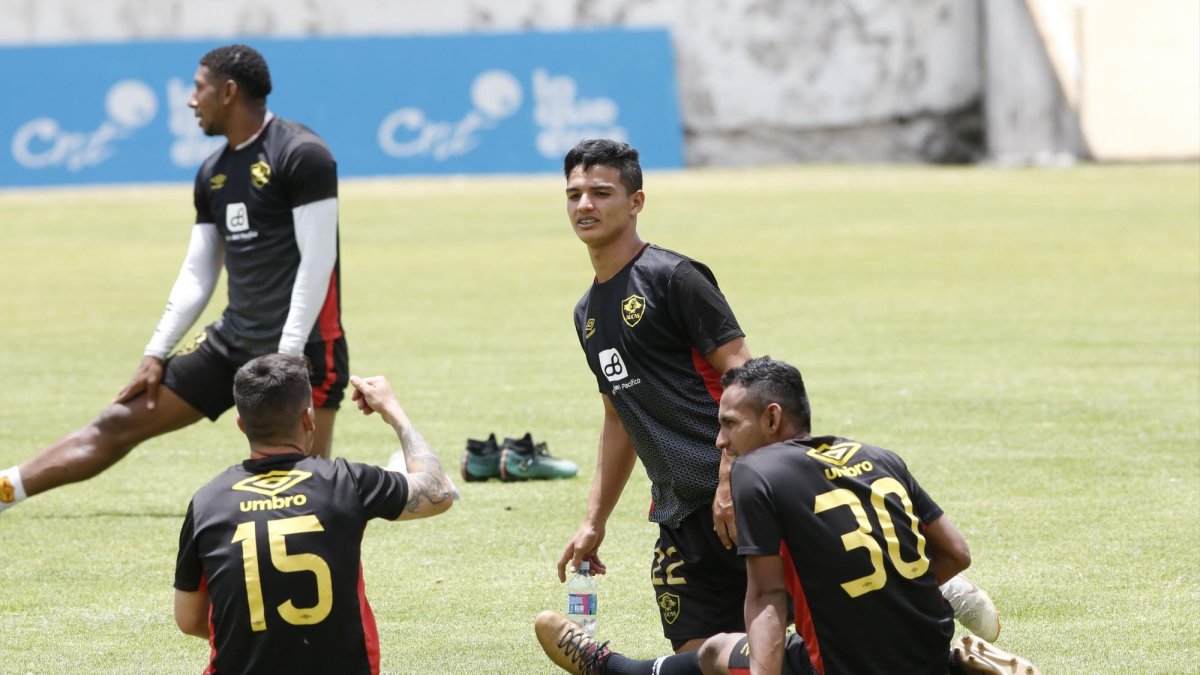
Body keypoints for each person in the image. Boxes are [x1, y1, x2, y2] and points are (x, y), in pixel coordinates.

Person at [0, 44, 348, 515]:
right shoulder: (213, 172)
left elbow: (317, 262)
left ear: (228, 92)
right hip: (232, 342)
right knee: (118, 421)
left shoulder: (302, 155)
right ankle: (6, 489)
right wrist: (156, 352)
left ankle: (408, 481)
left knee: (306, 495)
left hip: (305, 351)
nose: (190, 100)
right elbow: (198, 272)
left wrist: (285, 361)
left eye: (198, 87)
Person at [536, 357, 1038, 675]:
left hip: (840, 665)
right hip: (925, 647)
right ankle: (954, 664)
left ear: (772, 419)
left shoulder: (758, 474)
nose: (720, 441)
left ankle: (610, 667)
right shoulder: (879, 456)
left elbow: (768, 599)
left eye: (730, 424)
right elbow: (956, 552)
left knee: (715, 652)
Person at [555, 139, 754, 671]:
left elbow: (747, 381)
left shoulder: (675, 278)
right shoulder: (586, 313)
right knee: (704, 660)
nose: (584, 206)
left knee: (795, 646)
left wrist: (733, 478)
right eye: (574, 194)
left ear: (636, 201)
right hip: (678, 512)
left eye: (601, 192)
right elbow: (618, 416)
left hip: (742, 499)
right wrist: (594, 521)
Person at [173, 354, 453, 674]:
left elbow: (189, 618)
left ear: (241, 424)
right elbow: (437, 491)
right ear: (309, 419)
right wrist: (394, 412)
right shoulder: (346, 482)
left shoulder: (208, 501)